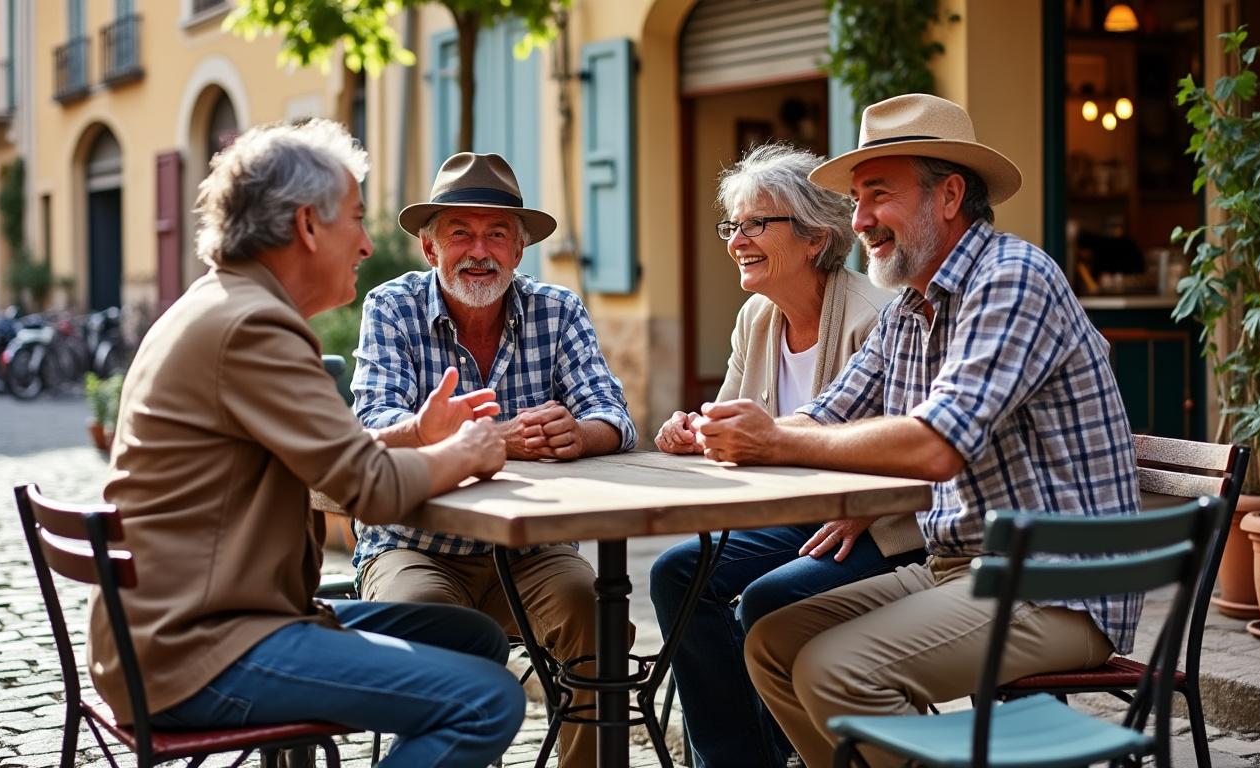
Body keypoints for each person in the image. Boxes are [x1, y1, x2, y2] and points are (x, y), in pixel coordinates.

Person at [695, 94, 1142, 768]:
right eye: (856, 198)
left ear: (950, 195)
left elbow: (936, 445)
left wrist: (777, 440)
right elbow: (828, 413)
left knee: (835, 670)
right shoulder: (912, 304)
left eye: (879, 195)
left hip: (1056, 583)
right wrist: (734, 429)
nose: (861, 220)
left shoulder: (1012, 279)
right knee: (771, 639)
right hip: (956, 566)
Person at [90, 119, 525, 768]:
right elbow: (369, 492)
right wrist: (464, 451)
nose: (369, 245)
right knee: (487, 700)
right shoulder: (255, 326)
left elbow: (325, 461)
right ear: (308, 226)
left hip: (190, 628)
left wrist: (414, 434)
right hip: (203, 648)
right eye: (356, 217)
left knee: (471, 637)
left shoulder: (217, 304)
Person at [351, 152, 638, 768]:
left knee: (597, 615)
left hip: (533, 546)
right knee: (423, 620)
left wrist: (579, 434)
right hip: (416, 544)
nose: (479, 251)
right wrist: (490, 440)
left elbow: (616, 418)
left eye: (497, 234)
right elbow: (373, 427)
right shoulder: (391, 308)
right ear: (431, 250)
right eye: (461, 233)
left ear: (518, 251)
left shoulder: (557, 310)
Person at [647, 143, 924, 768]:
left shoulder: (874, 316)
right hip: (799, 520)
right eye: (732, 225)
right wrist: (695, 431)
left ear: (812, 237)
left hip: (879, 527)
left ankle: (782, 751)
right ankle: (735, 759)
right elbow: (737, 428)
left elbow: (911, 439)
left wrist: (865, 504)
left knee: (767, 597)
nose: (736, 240)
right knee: (677, 574)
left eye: (754, 225)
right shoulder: (756, 318)